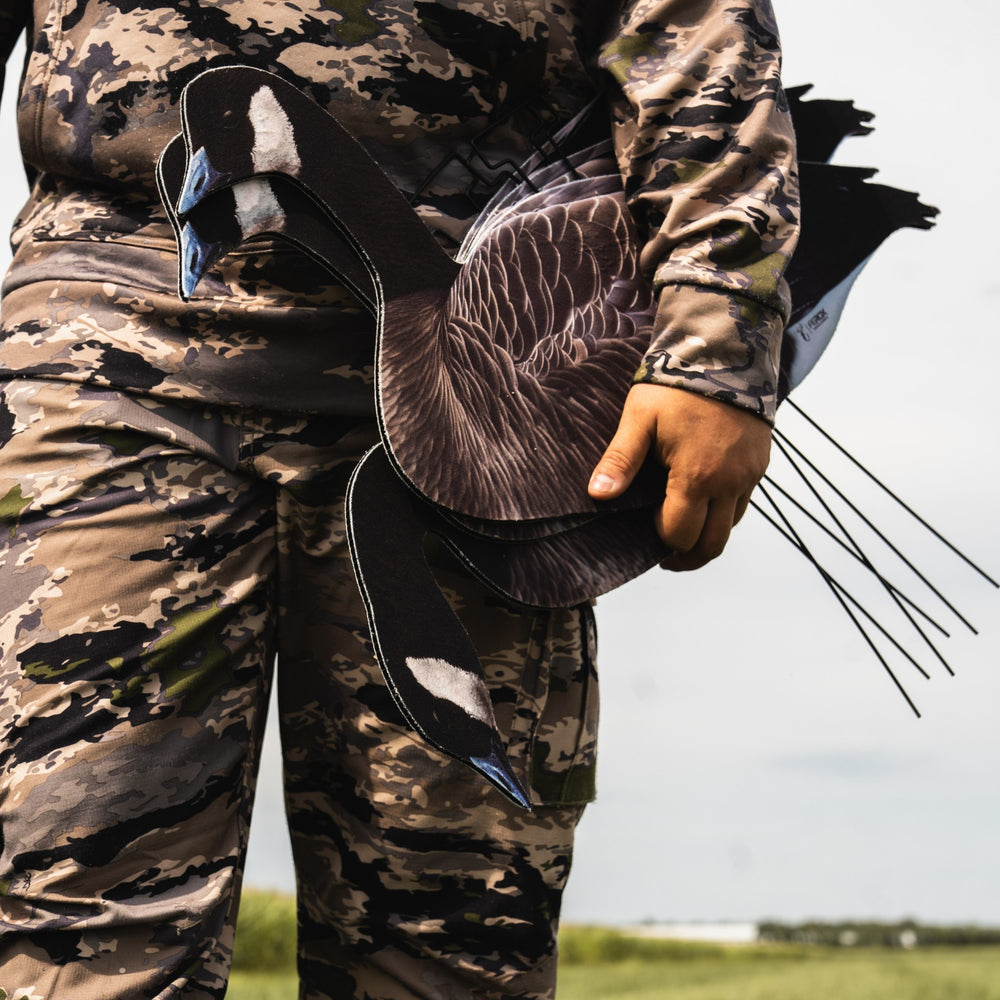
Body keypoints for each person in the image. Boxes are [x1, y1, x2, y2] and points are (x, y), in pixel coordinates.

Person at [0, 1, 797, 997]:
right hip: (104, 342)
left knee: (452, 926)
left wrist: (716, 335)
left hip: (489, 371)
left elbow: (695, 23)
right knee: (84, 905)